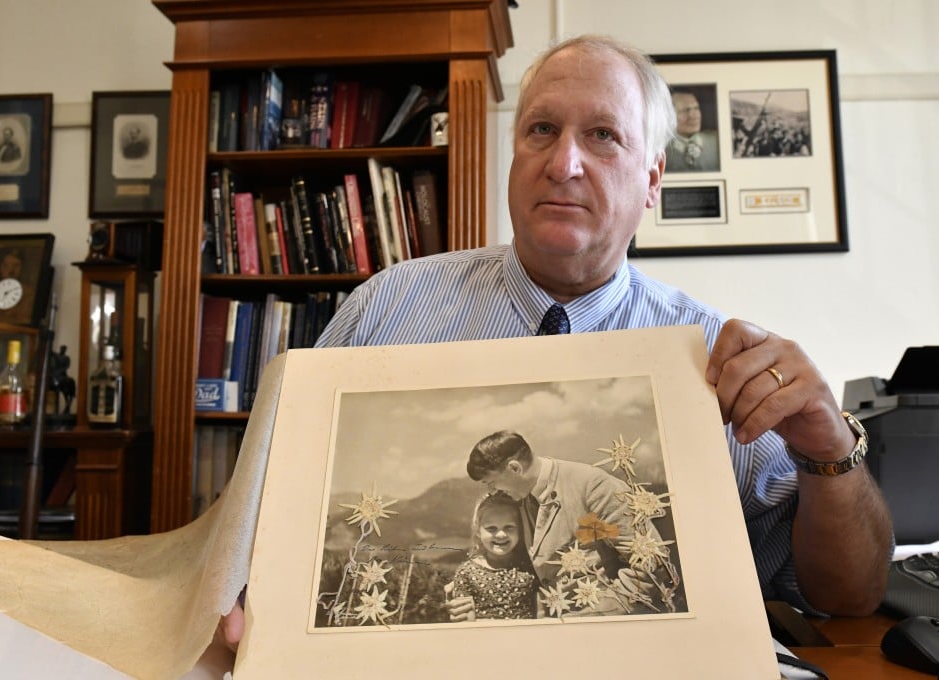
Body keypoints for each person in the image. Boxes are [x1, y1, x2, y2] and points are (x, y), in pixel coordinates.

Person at [220, 33, 892, 647]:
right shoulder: (386, 308)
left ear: (652, 180)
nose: (563, 162)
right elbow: (257, 518)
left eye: (603, 136)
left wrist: (830, 449)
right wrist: (242, 595)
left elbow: (848, 597)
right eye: (542, 129)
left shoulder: (719, 358)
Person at [448, 431, 670, 621]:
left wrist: (592, 619)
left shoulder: (593, 487)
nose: (493, 490)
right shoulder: (520, 496)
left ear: (514, 468)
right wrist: (469, 597)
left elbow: (650, 566)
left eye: (491, 482)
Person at [448, 490, 539, 620]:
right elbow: (465, 622)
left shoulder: (531, 568)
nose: (501, 535)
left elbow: (540, 614)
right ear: (478, 531)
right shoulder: (467, 572)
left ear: (520, 529)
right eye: (491, 528)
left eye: (509, 527)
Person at [665, 89, 719, 172]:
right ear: (669, 116)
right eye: (686, 110)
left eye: (696, 108)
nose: (694, 116)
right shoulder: (662, 151)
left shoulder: (716, 142)